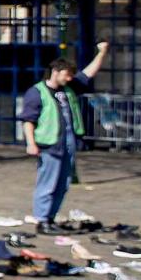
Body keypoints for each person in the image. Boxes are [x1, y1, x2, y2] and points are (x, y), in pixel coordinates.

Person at [18, 42, 109, 226]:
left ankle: (50, 217)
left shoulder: (69, 88)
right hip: (50, 143)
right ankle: (42, 219)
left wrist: (102, 52)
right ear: (56, 71)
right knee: (48, 182)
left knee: (63, 183)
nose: (69, 79)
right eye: (67, 74)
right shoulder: (37, 92)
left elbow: (88, 73)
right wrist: (31, 143)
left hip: (68, 142)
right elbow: (29, 120)